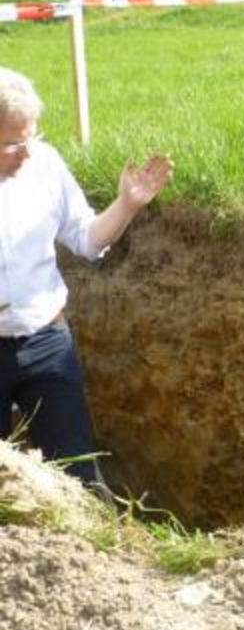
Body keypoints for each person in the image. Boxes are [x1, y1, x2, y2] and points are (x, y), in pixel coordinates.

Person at [0, 67, 172, 485]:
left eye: (32, 137)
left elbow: (87, 239)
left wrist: (127, 206)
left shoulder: (45, 164)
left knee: (79, 479)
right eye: (12, 143)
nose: (26, 152)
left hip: (45, 341)